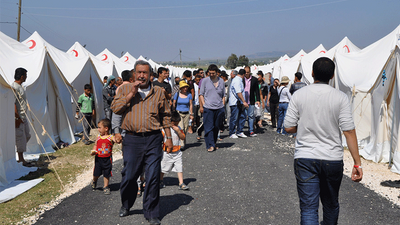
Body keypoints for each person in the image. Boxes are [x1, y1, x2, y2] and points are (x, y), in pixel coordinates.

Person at [284, 57, 363, 224]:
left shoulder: (299, 95)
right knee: (331, 204)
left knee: (308, 208)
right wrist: (357, 163)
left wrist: (305, 124)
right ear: (333, 75)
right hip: (332, 158)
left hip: (305, 157)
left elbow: (288, 127)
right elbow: (348, 131)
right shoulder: (340, 97)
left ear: (312, 73)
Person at [111, 60, 172, 225]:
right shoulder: (124, 89)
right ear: (134, 73)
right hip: (132, 139)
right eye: (139, 72)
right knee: (129, 175)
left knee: (152, 176)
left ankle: (152, 212)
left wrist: (169, 137)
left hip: (153, 138)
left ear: (150, 75)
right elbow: (115, 108)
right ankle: (126, 204)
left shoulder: (158, 92)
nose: (142, 76)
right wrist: (132, 93)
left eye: (145, 73)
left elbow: (166, 115)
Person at [160, 111, 190, 190]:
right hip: (167, 152)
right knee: (163, 168)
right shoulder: (164, 130)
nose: (176, 125)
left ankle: (181, 183)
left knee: (179, 167)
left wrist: (178, 131)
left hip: (177, 152)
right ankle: (160, 180)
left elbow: (183, 137)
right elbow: (161, 139)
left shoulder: (178, 129)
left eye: (177, 124)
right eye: (174, 124)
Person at [199, 64, 225, 152]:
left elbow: (223, 95)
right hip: (208, 108)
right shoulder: (205, 81)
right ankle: (210, 145)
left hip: (219, 107)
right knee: (208, 127)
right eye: (209, 73)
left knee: (216, 127)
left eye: (213, 73)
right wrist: (203, 104)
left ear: (217, 73)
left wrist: (223, 105)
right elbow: (201, 94)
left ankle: (214, 143)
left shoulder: (221, 81)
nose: (211, 75)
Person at [12, 68, 33, 167]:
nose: (26, 77)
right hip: (19, 117)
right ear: (22, 76)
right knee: (20, 138)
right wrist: (17, 118)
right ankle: (21, 159)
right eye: (25, 75)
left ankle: (20, 156)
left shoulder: (20, 87)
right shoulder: (14, 87)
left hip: (24, 116)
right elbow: (13, 104)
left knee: (27, 136)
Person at [90, 119, 115, 195]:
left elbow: (116, 140)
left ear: (106, 128)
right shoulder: (98, 137)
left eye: (100, 127)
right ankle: (94, 180)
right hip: (98, 158)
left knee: (106, 173)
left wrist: (118, 139)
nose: (98, 129)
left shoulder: (110, 137)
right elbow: (95, 145)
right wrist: (94, 151)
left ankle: (106, 186)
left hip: (107, 158)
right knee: (96, 173)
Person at [173, 81, 194, 149]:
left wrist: (191, 114)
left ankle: (183, 141)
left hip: (186, 113)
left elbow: (190, 105)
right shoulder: (177, 94)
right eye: (184, 87)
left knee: (185, 129)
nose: (185, 89)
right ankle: (181, 144)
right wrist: (174, 112)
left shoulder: (189, 95)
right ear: (181, 88)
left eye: (186, 87)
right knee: (181, 128)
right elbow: (174, 103)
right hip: (179, 112)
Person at [229, 69, 248, 139]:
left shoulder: (239, 80)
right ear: (243, 75)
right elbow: (238, 92)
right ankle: (232, 132)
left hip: (239, 102)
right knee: (234, 118)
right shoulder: (237, 81)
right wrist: (244, 101)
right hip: (235, 102)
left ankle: (239, 131)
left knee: (243, 116)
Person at [243, 66, 260, 137]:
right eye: (245, 72)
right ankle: (240, 130)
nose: (246, 74)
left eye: (248, 72)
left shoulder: (254, 80)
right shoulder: (241, 79)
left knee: (251, 116)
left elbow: (257, 91)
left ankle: (251, 131)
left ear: (250, 72)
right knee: (242, 116)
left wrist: (258, 100)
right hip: (243, 101)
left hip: (251, 100)